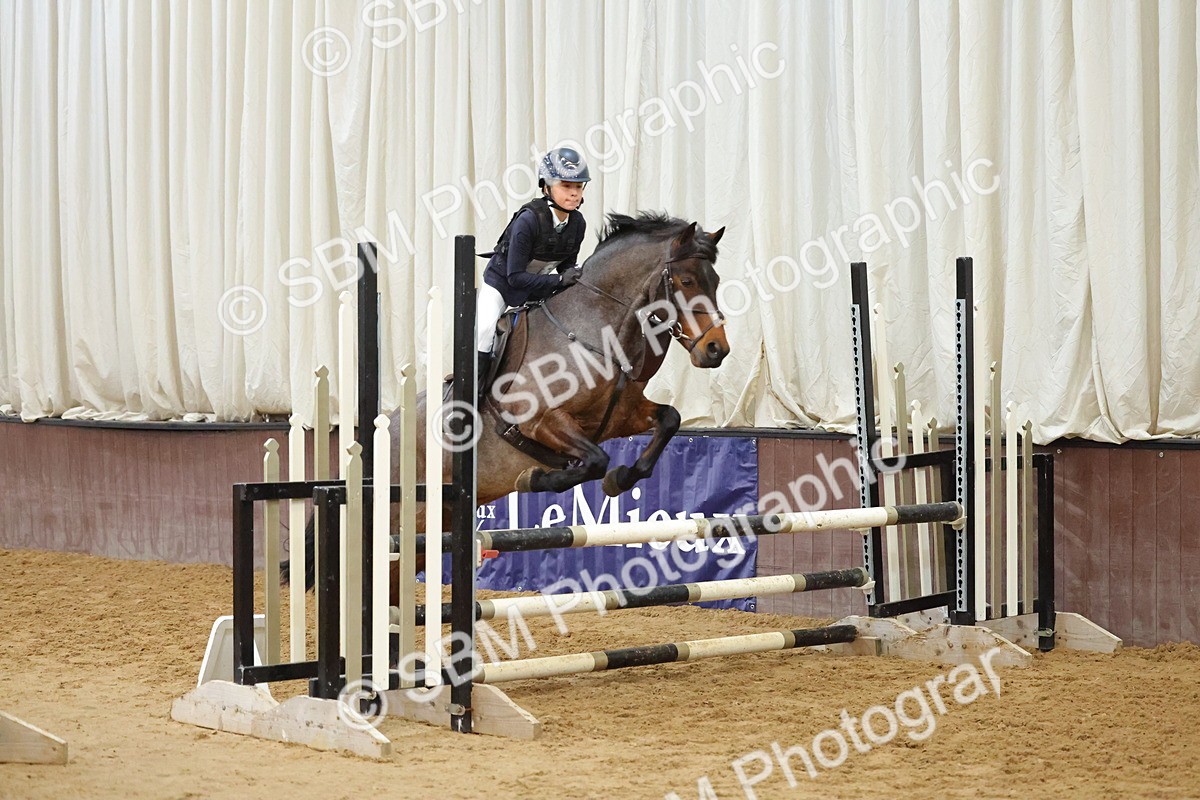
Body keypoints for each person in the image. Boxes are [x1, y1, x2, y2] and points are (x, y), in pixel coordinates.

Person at [474, 146, 590, 399]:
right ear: (546, 186)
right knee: (483, 331)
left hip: (539, 287)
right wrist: (560, 280)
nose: (574, 194)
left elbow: (567, 264)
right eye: (565, 186)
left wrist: (576, 276)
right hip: (502, 285)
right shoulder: (528, 220)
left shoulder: (578, 223)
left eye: (579, 187)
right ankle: (474, 394)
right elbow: (515, 277)